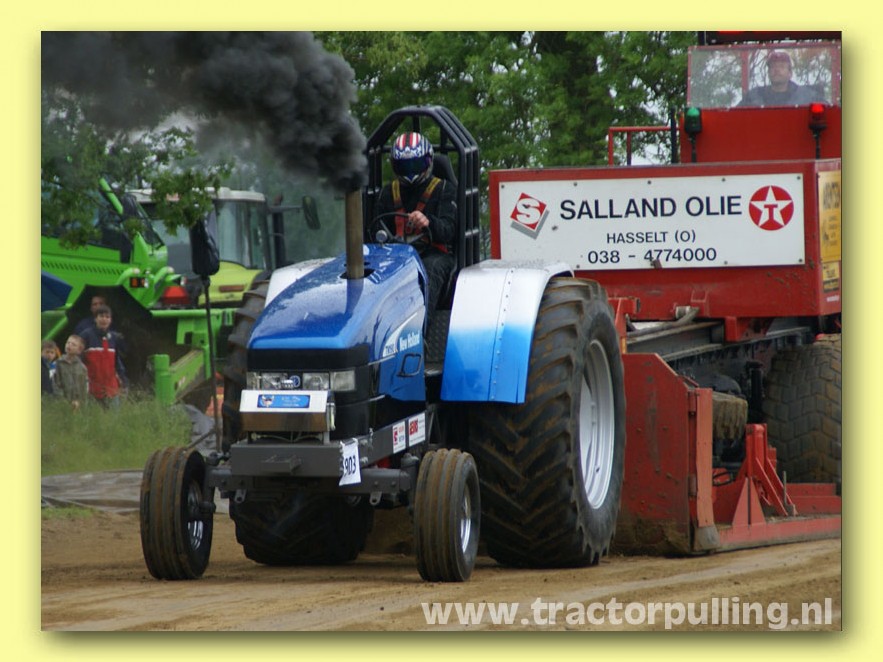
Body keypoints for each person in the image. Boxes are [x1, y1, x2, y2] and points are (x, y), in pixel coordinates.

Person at [372, 132, 457, 317]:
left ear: (428, 161)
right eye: (404, 166)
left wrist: (428, 223)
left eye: (415, 165)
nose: (410, 171)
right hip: (396, 253)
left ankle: (421, 327)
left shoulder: (444, 189)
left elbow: (449, 231)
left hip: (434, 253)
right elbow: (375, 230)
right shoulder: (387, 193)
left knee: (428, 271)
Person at [80, 305, 128, 408]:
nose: (104, 319)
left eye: (107, 317)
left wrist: (123, 380)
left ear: (110, 320)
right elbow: (79, 360)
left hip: (111, 387)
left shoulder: (114, 337)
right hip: (92, 387)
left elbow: (116, 361)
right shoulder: (86, 335)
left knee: (113, 416)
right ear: (95, 318)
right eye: (101, 316)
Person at [739, 51, 824, 107]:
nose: (776, 70)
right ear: (768, 73)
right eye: (773, 66)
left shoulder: (808, 96)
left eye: (782, 66)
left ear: (790, 73)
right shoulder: (753, 97)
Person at [53, 334, 89, 410]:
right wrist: (62, 401)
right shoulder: (58, 364)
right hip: (62, 403)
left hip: (78, 405)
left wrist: (80, 402)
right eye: (68, 343)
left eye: (73, 345)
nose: (69, 345)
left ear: (79, 350)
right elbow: (56, 383)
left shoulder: (82, 368)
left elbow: (84, 387)